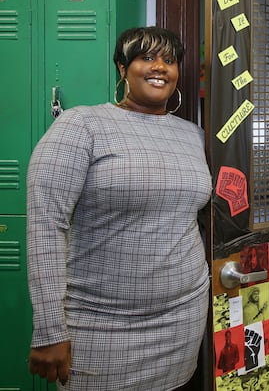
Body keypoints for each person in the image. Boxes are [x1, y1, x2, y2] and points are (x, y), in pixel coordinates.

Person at [25, 27, 210, 389]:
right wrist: (49, 328)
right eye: (147, 57)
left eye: (169, 60)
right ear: (123, 69)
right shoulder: (81, 125)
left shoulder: (192, 134)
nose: (160, 68)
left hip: (183, 317)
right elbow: (46, 225)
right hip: (99, 324)